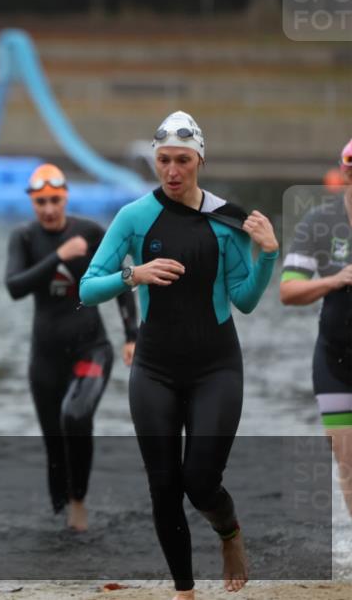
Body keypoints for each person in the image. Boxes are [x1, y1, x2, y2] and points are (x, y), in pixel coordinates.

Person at [79, 111, 278, 599]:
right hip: (155, 369)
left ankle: (229, 532)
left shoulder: (228, 219)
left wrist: (268, 255)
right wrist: (134, 275)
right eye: (163, 159)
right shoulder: (134, 217)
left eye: (182, 160)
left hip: (216, 367)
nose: (172, 170)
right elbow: (87, 288)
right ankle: (184, 590)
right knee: (164, 485)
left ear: (200, 160)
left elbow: (245, 300)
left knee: (201, 481)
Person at [5, 163, 138, 531]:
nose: (49, 209)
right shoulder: (24, 237)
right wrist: (60, 256)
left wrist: (131, 335)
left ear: (65, 198)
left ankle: (78, 505)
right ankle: (59, 517)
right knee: (54, 441)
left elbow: (123, 280)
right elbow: (15, 287)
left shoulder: (90, 233)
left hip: (90, 349)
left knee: (76, 417)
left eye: (55, 200)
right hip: (45, 358)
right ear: (32, 202)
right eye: (41, 202)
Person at [280, 138, 352, 515]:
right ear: (344, 171)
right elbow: (288, 291)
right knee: (348, 462)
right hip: (335, 362)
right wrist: (335, 280)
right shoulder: (319, 223)